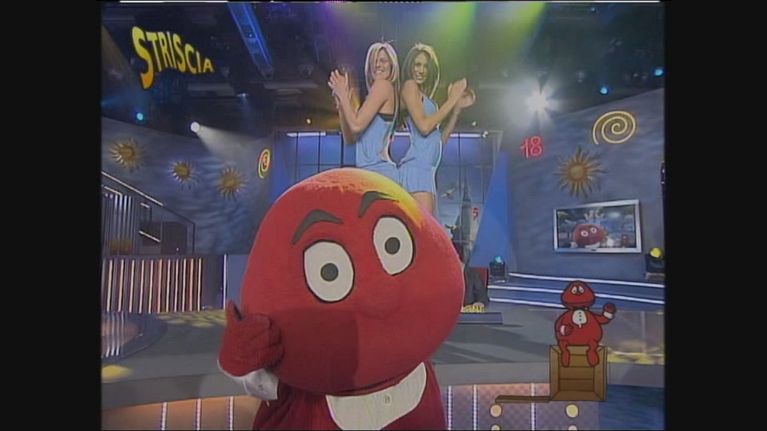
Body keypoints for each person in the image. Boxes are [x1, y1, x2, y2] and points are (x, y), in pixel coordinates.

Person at [399, 43, 476, 214]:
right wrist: (452, 98)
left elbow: (439, 141)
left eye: (426, 66)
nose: (421, 70)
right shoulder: (409, 86)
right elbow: (424, 127)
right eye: (417, 64)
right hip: (417, 170)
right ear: (410, 66)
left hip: (428, 172)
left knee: (426, 228)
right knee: (422, 228)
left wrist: (455, 110)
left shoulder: (427, 100)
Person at [329, 42, 400, 183]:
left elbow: (356, 125)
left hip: (380, 173)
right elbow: (349, 139)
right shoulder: (378, 93)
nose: (378, 65)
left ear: (392, 66)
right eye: (374, 61)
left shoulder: (383, 85)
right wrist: (341, 106)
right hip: (371, 174)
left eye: (383, 61)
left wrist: (343, 94)